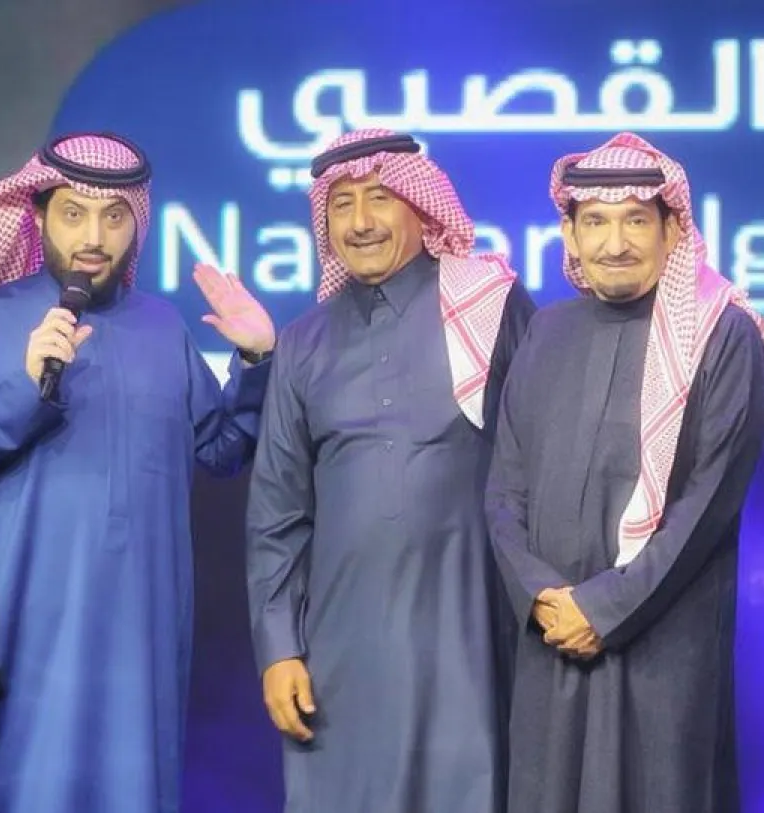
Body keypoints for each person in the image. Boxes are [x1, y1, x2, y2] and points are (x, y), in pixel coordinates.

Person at [0, 132, 275, 813]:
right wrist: (24, 387)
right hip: (8, 619)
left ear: (136, 225)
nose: (94, 236)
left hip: (131, 629)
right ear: (40, 216)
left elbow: (222, 449)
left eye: (113, 216)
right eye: (73, 214)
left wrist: (255, 362)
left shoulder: (161, 328)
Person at [484, 132, 764, 813]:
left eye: (635, 221)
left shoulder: (721, 335)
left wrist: (603, 608)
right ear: (569, 234)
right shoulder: (545, 332)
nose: (614, 243)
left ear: (672, 229)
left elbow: (707, 504)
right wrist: (540, 596)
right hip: (552, 638)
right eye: (595, 221)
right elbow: (505, 490)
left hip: (661, 645)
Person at [245, 128, 537, 813]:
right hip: (342, 648)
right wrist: (279, 649)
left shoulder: (486, 310)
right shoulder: (304, 342)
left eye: (379, 198)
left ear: (420, 205)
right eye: (341, 205)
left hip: (469, 629)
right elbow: (277, 514)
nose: (361, 222)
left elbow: (544, 458)